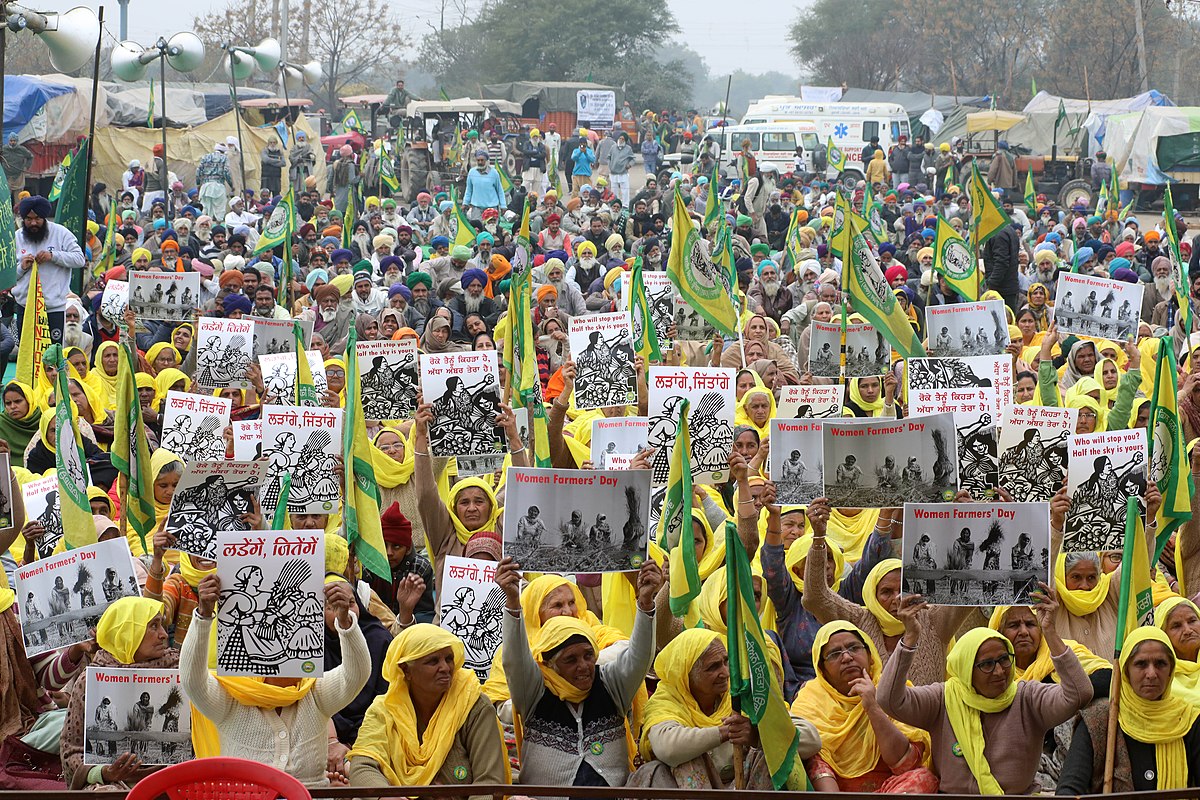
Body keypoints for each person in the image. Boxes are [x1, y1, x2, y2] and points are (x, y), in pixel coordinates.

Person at [877, 589, 1093, 794]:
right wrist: (911, 638)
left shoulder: (1027, 698)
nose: (999, 671)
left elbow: (1080, 694)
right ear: (966, 670)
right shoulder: (943, 699)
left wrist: (1051, 633)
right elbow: (888, 699)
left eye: (1004, 660)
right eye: (987, 664)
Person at [183, 571, 370, 787]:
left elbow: (356, 675)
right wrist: (203, 616)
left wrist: (345, 622)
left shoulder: (316, 694)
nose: (293, 648)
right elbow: (192, 681)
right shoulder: (231, 699)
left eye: (299, 643)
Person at [497, 556, 660, 788]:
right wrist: (513, 600)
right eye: (570, 660)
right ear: (549, 663)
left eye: (588, 655)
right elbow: (514, 660)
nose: (583, 666)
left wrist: (645, 601)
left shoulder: (610, 684)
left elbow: (639, 657)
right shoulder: (534, 691)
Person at [634, 628, 820, 789]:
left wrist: (756, 735)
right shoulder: (667, 700)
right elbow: (668, 749)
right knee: (677, 761)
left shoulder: (742, 693)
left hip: (747, 787)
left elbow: (811, 739)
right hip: (694, 788)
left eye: (725, 662)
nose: (725, 673)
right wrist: (725, 733)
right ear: (685, 673)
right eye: (713, 667)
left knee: (773, 752)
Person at [348, 624, 508, 794]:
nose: (445, 668)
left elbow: (489, 782)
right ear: (406, 670)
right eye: (433, 661)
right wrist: (387, 798)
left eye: (449, 659)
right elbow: (363, 765)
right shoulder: (385, 709)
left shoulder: (474, 705)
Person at [792, 621, 937, 792]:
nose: (846, 657)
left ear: (870, 655)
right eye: (834, 654)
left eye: (854, 648)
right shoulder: (810, 700)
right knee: (814, 752)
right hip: (834, 792)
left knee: (923, 779)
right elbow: (816, 765)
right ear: (821, 668)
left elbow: (904, 765)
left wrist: (873, 707)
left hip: (889, 791)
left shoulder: (893, 691)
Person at [1056, 626, 1200, 793]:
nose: (1152, 673)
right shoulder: (1100, 721)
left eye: (1160, 663)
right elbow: (1069, 790)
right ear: (1125, 671)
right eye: (1141, 664)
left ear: (1171, 671)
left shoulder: (1188, 720)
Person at [61, 597, 176, 789]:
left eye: (162, 625)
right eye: (154, 626)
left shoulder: (179, 669)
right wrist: (104, 773)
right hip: (113, 784)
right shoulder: (90, 680)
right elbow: (71, 750)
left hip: (172, 778)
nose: (164, 634)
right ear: (127, 633)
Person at [13, 195, 87, 343]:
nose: (33, 223)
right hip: (25, 307)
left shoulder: (61, 233)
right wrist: (21, 267)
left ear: (45, 218)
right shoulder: (16, 237)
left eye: (37, 219)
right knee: (27, 354)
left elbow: (79, 259)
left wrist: (53, 256)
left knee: (52, 354)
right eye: (28, 219)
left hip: (53, 309)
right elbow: (7, 274)